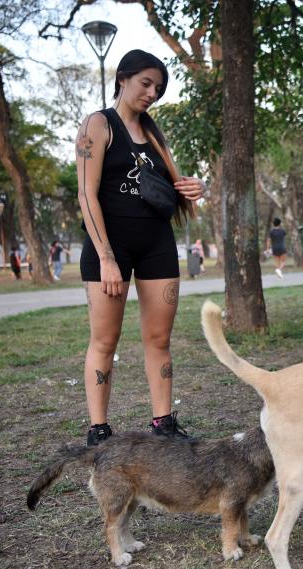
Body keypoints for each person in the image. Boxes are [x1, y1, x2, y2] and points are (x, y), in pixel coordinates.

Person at [75, 49, 206, 447]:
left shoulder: (153, 134)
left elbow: (172, 190)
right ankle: (99, 432)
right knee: (104, 340)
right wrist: (107, 258)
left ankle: (163, 424)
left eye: (158, 88)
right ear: (123, 78)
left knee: (159, 339)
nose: (152, 92)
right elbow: (86, 193)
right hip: (109, 247)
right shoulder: (98, 124)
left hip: (157, 243)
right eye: (146, 83)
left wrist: (197, 187)